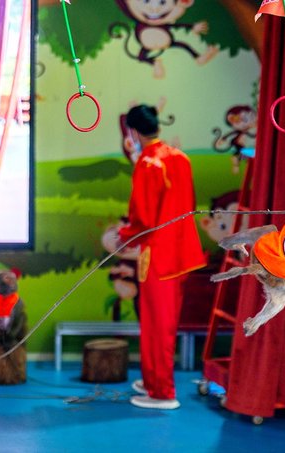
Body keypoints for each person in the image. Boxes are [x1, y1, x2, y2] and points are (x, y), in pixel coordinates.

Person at [118, 104, 206, 410]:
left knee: (156, 325)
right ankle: (152, 380)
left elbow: (143, 218)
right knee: (164, 323)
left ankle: (162, 391)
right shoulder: (179, 157)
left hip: (158, 256)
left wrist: (124, 234)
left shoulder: (148, 163)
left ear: (133, 132)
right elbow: (187, 203)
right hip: (181, 253)